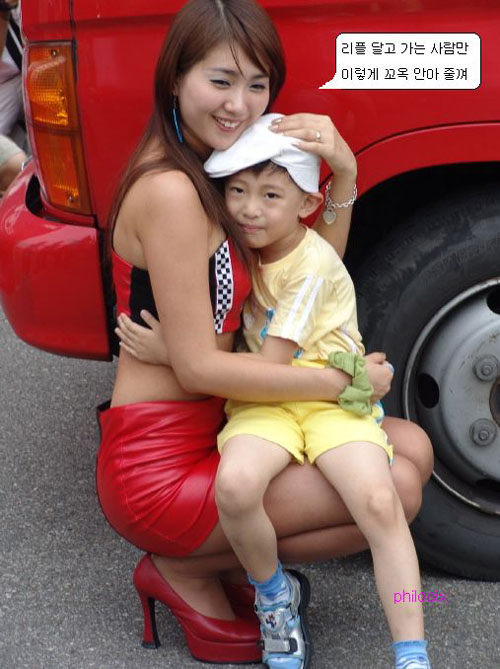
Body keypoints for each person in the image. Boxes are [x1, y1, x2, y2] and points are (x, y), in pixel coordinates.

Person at [97, 0, 433, 665]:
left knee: (413, 449)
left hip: (223, 421)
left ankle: (220, 562)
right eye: (220, 81)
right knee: (396, 486)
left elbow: (309, 266)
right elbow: (197, 369)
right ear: (175, 78)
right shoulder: (173, 191)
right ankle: (184, 565)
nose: (240, 105)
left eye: (257, 85)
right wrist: (341, 382)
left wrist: (345, 174)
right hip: (161, 466)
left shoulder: (219, 169)